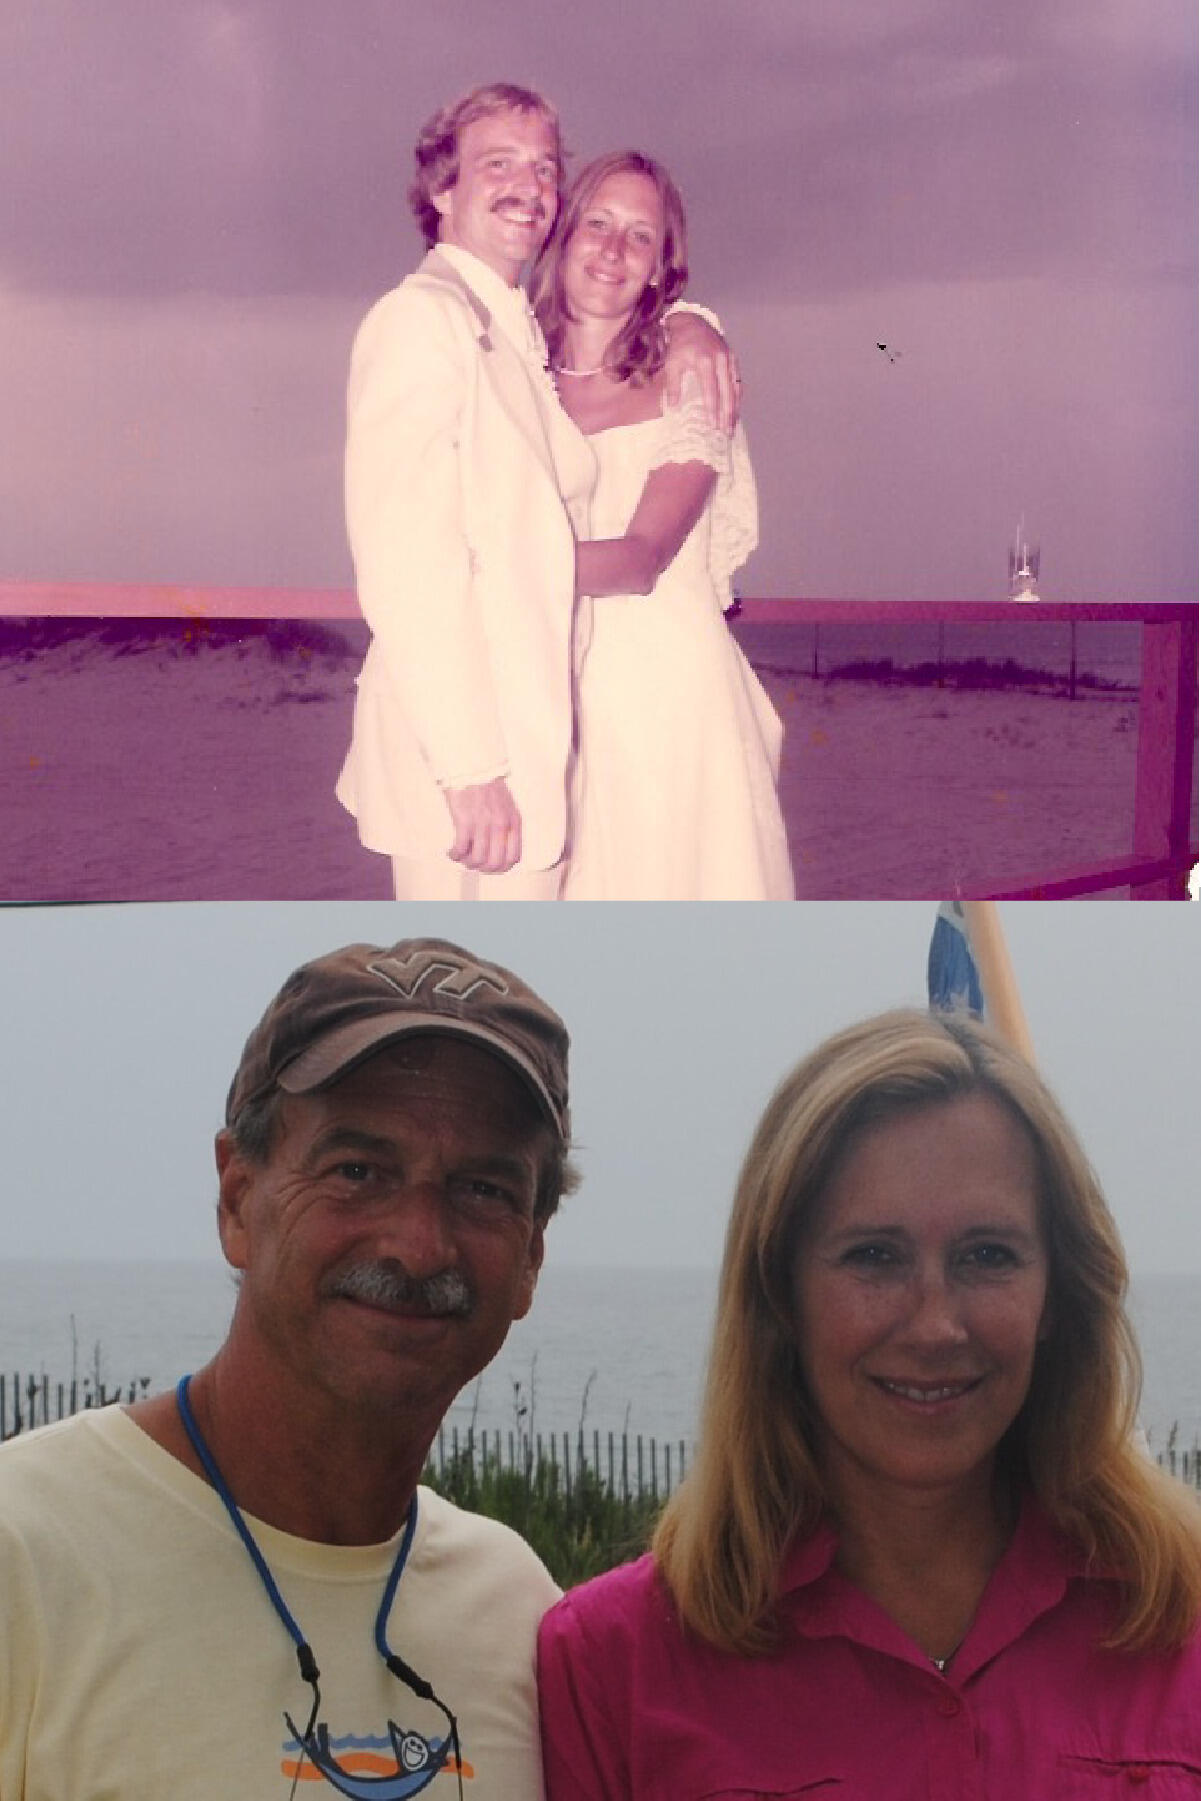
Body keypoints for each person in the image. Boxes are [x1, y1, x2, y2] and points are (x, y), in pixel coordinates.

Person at [538, 1009, 1201, 1796]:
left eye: (986, 1255)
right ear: (780, 1290)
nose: (934, 1324)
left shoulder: (1179, 1618)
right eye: (873, 1256)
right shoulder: (611, 1663)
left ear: (1056, 1290)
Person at [0, 935, 579, 1799]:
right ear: (238, 1195)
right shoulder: (27, 1551)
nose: (418, 1245)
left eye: (483, 1190)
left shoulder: (518, 1609)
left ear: (532, 1253)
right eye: (357, 1170)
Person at [335, 84, 736, 901]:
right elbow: (409, 558)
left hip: (530, 737)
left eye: (543, 169)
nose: (527, 185)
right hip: (474, 764)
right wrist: (470, 766)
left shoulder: (509, 330)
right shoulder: (421, 322)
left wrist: (694, 320)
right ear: (443, 190)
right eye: (497, 164)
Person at [530, 151, 794, 900]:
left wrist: (477, 566)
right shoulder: (516, 376)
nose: (613, 251)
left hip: (666, 697)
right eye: (597, 225)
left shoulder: (691, 380)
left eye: (639, 236)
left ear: (659, 267)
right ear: (561, 236)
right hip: (548, 688)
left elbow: (642, 559)